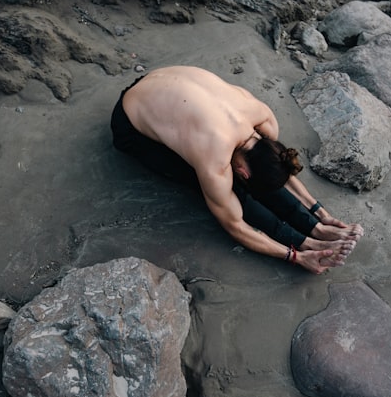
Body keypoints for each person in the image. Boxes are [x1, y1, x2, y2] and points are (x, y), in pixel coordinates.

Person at [111, 65, 363, 275]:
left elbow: (277, 168)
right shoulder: (218, 155)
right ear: (243, 172)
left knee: (249, 175)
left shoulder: (262, 119)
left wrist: (319, 213)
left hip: (163, 81)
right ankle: (306, 240)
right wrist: (296, 255)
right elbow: (235, 225)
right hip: (129, 119)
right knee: (223, 186)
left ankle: (315, 230)